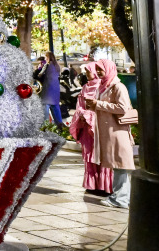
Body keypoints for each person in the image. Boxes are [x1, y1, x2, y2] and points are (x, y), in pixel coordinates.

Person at [85, 59, 135, 208]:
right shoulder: (104, 86)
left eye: (101, 69)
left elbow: (123, 108)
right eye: (97, 69)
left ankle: (121, 199)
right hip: (109, 133)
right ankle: (119, 196)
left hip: (118, 132)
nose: (98, 72)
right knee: (116, 165)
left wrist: (98, 104)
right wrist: (93, 106)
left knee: (120, 165)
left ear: (109, 69)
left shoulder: (118, 87)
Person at [69, 62, 113, 195]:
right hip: (87, 127)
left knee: (101, 155)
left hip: (98, 127)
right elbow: (80, 105)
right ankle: (92, 185)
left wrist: (90, 114)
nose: (87, 74)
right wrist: (82, 114)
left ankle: (104, 186)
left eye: (89, 71)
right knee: (89, 155)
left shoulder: (103, 86)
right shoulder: (85, 87)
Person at [33, 52, 63, 129]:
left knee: (45, 109)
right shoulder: (57, 66)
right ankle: (60, 127)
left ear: (48, 57)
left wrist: (38, 69)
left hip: (47, 90)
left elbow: (39, 75)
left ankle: (45, 128)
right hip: (55, 91)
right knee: (56, 109)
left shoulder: (47, 65)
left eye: (46, 57)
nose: (45, 59)